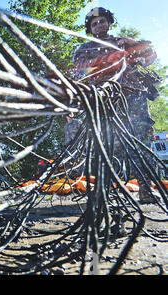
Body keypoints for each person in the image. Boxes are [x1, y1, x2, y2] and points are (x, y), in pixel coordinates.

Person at [72, 7, 159, 204]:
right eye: (94, 24)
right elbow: (78, 68)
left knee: (142, 140)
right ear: (90, 29)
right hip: (104, 98)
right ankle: (107, 193)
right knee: (107, 143)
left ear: (109, 22)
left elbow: (150, 55)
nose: (99, 25)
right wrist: (105, 59)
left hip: (133, 94)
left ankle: (146, 190)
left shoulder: (123, 41)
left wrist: (134, 45)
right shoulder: (84, 49)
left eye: (102, 21)